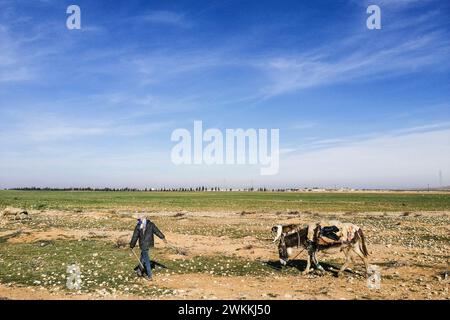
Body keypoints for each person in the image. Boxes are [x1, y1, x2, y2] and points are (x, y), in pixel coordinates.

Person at [130, 215, 167, 281]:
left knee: (146, 260)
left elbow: (135, 237)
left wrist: (132, 245)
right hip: (149, 244)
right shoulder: (151, 224)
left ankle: (149, 275)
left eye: (139, 219)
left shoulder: (138, 226)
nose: (138, 220)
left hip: (143, 244)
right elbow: (157, 231)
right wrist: (162, 237)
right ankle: (139, 270)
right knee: (143, 256)